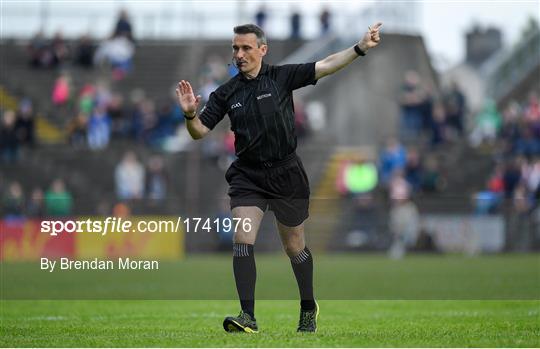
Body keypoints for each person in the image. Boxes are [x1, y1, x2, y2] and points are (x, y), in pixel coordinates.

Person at [175, 22, 382, 333]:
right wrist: (190, 114)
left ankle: (308, 307)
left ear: (262, 49)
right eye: (235, 48)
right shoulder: (225, 93)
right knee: (242, 239)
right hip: (248, 176)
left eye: (245, 48)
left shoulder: (282, 76)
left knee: (294, 247)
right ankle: (248, 317)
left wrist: (359, 48)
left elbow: (325, 65)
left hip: (287, 174)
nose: (239, 54)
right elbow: (199, 132)